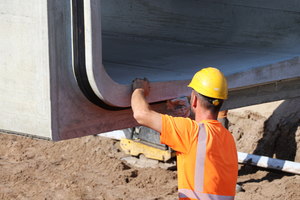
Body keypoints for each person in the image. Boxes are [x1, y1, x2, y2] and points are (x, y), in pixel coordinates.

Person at [131, 67, 238, 200]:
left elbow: (141, 114)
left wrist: (139, 89)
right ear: (221, 103)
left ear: (194, 100)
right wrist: (186, 118)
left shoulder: (190, 132)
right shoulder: (228, 138)